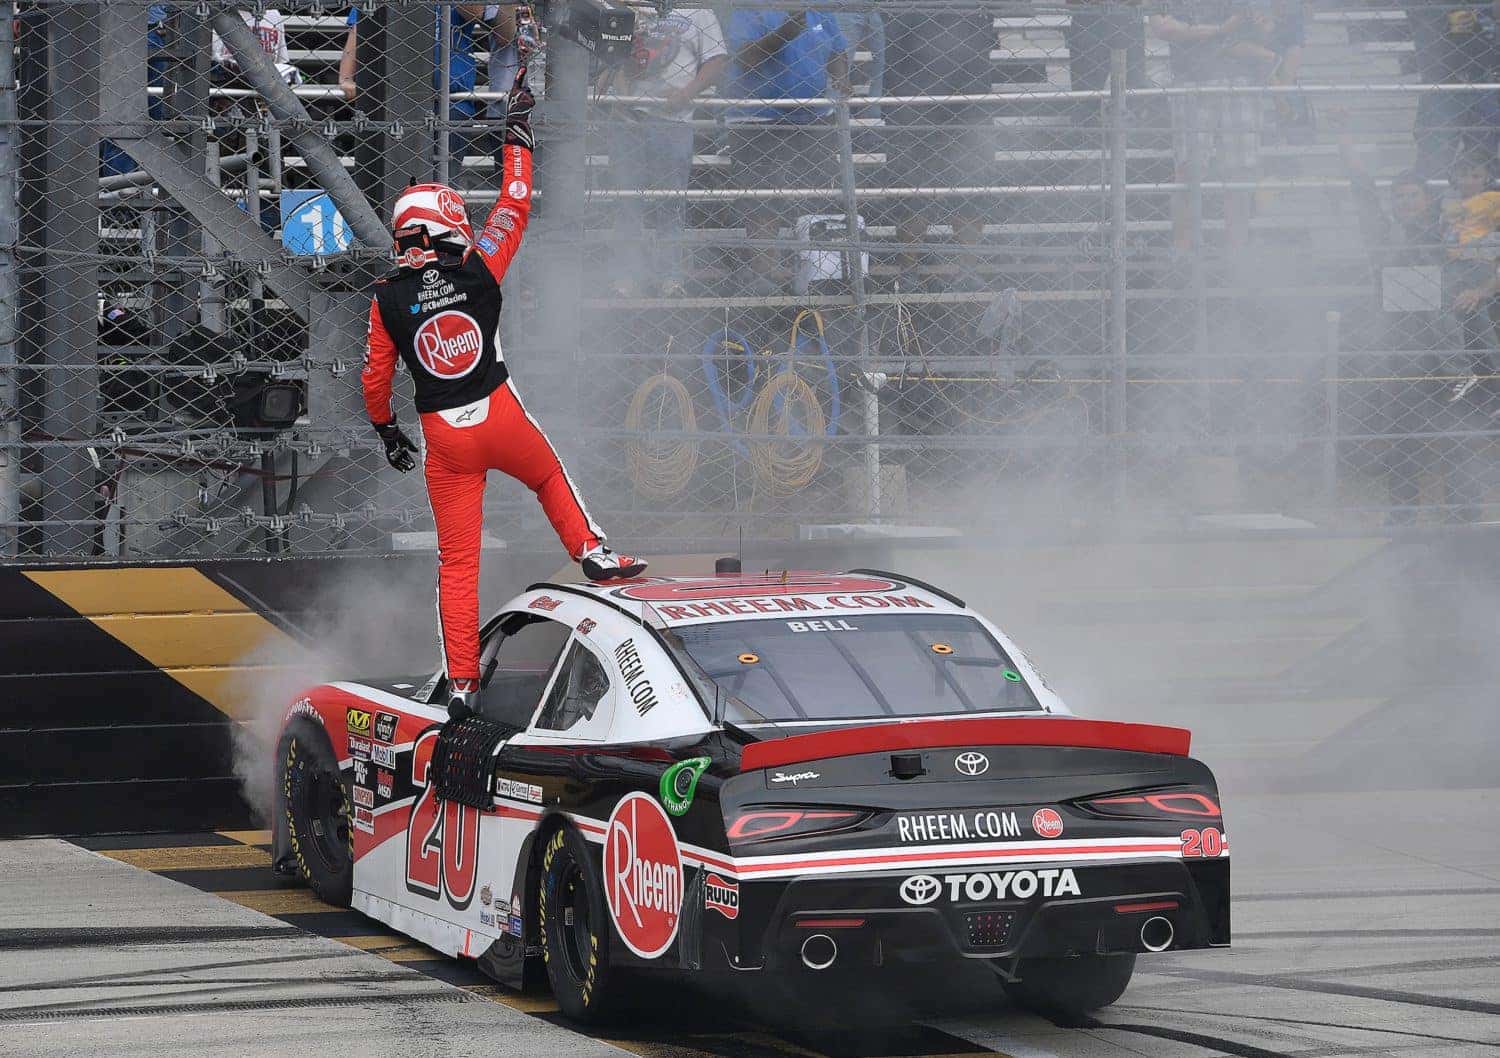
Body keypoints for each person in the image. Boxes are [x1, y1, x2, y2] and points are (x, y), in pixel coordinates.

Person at [361, 67, 648, 720]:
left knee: (457, 565)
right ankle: (593, 554)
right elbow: (514, 203)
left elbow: (374, 380)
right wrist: (515, 134)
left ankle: (462, 684)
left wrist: (384, 430)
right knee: (548, 474)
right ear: (447, 228)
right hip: (500, 411)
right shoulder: (481, 263)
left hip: (444, 438)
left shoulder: (385, 300)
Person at [600, 4, 728, 296]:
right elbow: (609, 58)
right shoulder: (627, 7)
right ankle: (627, 277)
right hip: (627, 118)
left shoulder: (698, 11)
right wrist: (617, 91)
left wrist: (687, 93)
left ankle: (670, 278)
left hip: (673, 121)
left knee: (670, 203)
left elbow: (717, 59)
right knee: (626, 202)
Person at [725, 8, 849, 293]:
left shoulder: (820, 7)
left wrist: (842, 78)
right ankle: (765, 280)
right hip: (757, 119)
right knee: (762, 202)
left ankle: (817, 278)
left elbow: (838, 49)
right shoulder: (749, 8)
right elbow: (745, 58)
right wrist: (783, 34)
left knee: (817, 200)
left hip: (812, 119)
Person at [883, 4, 999, 292]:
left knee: (970, 189)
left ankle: (967, 270)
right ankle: (909, 271)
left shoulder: (973, 14)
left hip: (967, 105)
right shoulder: (905, 13)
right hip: (912, 107)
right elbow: (894, 54)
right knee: (912, 194)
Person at [1149, 1, 1270, 256]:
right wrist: (1220, 30)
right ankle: (1183, 249)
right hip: (1191, 80)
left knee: (1239, 172)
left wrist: (1258, 25)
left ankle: (1237, 251)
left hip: (1240, 79)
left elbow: (1265, 22)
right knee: (1189, 168)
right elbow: (1163, 27)